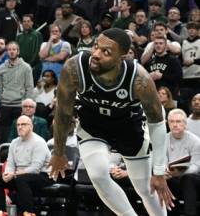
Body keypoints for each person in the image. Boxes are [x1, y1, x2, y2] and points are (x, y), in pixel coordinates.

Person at [49, 28, 175, 216]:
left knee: (146, 188)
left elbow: (157, 123)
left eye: (106, 52)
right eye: (96, 47)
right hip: (93, 125)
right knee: (98, 174)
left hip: (128, 128)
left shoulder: (139, 79)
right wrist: (58, 152)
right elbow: (63, 113)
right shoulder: (74, 68)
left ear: (122, 58)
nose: (96, 54)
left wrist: (158, 171)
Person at [0, 115, 50, 216]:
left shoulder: (39, 142)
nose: (20, 127)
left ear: (31, 127)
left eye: (24, 124)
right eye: (18, 125)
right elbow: (10, 163)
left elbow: (35, 168)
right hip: (21, 175)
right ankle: (2, 212)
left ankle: (29, 213)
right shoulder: (14, 142)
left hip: (43, 176)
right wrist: (7, 174)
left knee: (21, 179)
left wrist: (14, 174)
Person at [165, 109, 200, 216]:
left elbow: (197, 166)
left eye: (178, 121)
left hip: (193, 178)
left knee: (187, 179)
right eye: (172, 121)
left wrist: (181, 172)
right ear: (168, 123)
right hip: (173, 177)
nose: (175, 125)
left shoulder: (195, 140)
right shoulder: (164, 139)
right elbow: (162, 160)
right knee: (163, 180)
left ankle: (190, 214)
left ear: (185, 124)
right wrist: (165, 171)